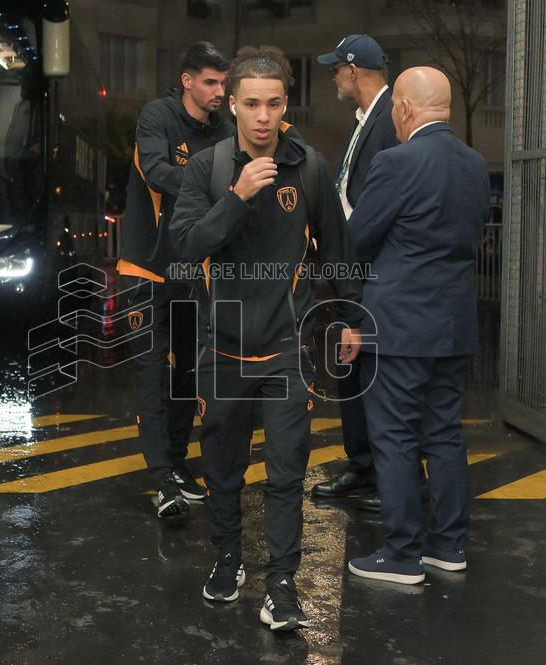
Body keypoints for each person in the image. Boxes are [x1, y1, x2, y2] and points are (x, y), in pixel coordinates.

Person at [169, 46, 363, 631]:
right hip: (222, 348)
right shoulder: (207, 168)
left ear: (284, 106)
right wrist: (238, 197)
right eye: (250, 104)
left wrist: (349, 315)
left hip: (287, 349)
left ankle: (282, 583)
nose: (261, 116)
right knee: (223, 472)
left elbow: (336, 247)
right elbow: (184, 246)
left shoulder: (309, 168)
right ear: (231, 105)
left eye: (272, 104)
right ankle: (228, 561)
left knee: (285, 473)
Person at [345, 67, 489, 584]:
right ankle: (448, 545)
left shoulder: (395, 162)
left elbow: (357, 237)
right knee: (444, 434)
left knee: (395, 436)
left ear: (403, 109)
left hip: (398, 327)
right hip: (453, 327)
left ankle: (402, 552)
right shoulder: (475, 165)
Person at [116, 42, 234, 518]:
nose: (219, 92)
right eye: (211, 82)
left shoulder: (225, 128)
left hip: (191, 268)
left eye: (224, 83)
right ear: (188, 80)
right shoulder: (157, 116)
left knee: (188, 370)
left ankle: (179, 464)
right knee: (151, 371)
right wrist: (214, 186)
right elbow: (158, 170)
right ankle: (161, 478)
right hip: (146, 265)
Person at [311, 34, 399, 506]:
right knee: (351, 366)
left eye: (334, 68)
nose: (330, 76)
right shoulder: (367, 118)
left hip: (370, 269)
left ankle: (379, 473)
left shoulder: (387, 119)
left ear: (353, 70)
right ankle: (363, 466)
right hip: (353, 267)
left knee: (367, 366)